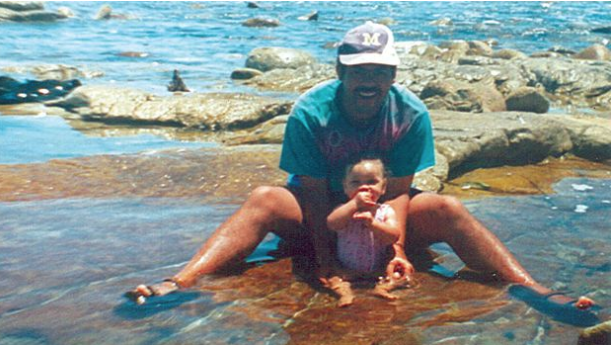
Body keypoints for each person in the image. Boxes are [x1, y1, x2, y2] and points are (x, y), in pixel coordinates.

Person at [129, 21, 594, 313]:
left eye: (378, 72)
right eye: (358, 71)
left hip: (383, 213)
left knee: (449, 207)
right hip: (320, 209)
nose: (368, 80)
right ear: (341, 72)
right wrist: (325, 260)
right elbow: (309, 190)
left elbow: (401, 191)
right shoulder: (310, 111)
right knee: (264, 198)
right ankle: (181, 281)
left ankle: (531, 289)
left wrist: (398, 248)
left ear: (392, 75)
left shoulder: (411, 114)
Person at [324, 157, 415, 307]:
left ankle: (383, 289)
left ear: (383, 187)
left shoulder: (385, 211)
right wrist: (354, 204)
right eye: (355, 183)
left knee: (398, 276)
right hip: (347, 270)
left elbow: (393, 235)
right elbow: (332, 223)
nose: (364, 187)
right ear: (345, 187)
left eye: (372, 182)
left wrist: (373, 224)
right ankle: (345, 295)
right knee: (335, 280)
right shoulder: (343, 209)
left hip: (378, 269)